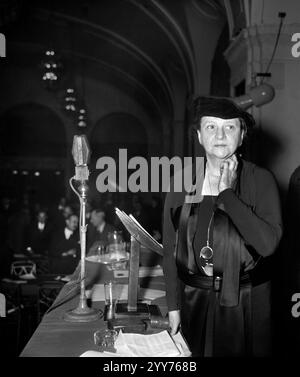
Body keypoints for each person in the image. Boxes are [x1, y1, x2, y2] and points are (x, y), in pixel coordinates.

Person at [162, 96, 282, 357]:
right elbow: (170, 249)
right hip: (194, 299)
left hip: (248, 302)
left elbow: (267, 244)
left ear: (242, 136)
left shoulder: (260, 180)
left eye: (230, 127)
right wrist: (173, 307)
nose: (220, 134)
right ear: (199, 136)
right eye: (211, 127)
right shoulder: (182, 181)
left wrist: (227, 193)